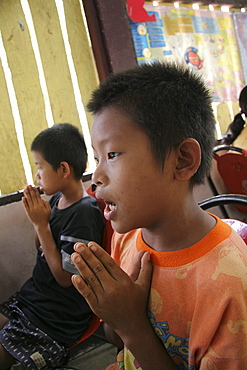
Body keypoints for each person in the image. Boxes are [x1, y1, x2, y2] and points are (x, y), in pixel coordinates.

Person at [70, 63, 247, 370]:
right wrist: (110, 305)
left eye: (112, 155)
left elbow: (128, 331)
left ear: (182, 160)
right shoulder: (127, 237)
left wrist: (132, 325)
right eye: (97, 158)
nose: (96, 177)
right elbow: (117, 339)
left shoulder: (228, 283)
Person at [0, 123, 104, 369]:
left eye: (40, 167)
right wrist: (40, 222)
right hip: (34, 300)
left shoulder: (84, 214)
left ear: (64, 169)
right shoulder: (57, 200)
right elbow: (42, 249)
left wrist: (41, 226)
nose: (37, 175)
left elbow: (65, 277)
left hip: (55, 316)